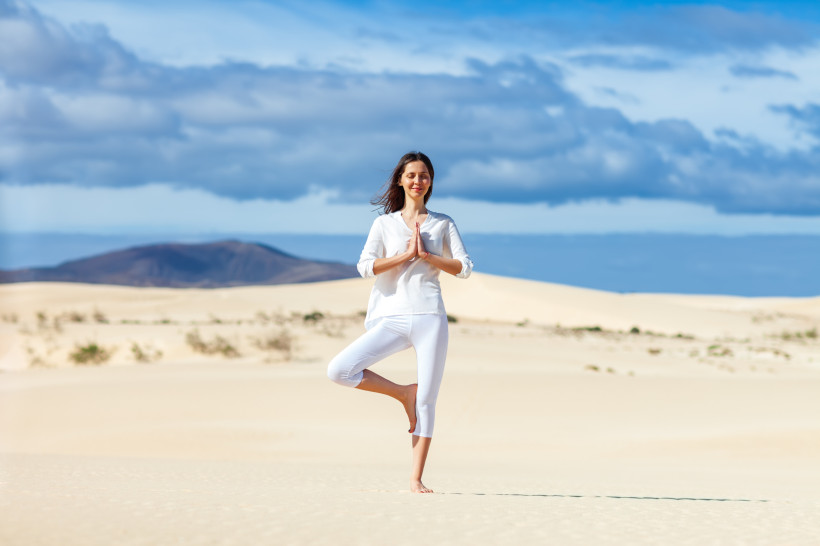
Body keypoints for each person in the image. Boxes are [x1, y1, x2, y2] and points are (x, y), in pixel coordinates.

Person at [327, 151, 473, 493]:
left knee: (428, 401)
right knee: (339, 370)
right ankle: (401, 393)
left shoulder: (442, 223)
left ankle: (415, 478)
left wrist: (428, 256)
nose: (417, 181)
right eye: (411, 175)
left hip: (430, 317)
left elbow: (464, 268)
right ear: (400, 180)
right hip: (392, 317)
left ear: (431, 181)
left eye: (423, 175)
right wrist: (404, 256)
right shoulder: (384, 224)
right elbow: (364, 266)